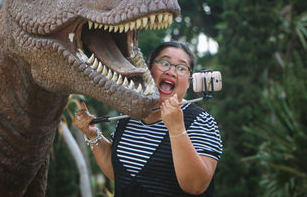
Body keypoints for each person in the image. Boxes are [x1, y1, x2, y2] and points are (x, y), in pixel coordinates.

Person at [75, 41, 222, 196]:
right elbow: (120, 173)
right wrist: (92, 134)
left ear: (189, 81)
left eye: (181, 68)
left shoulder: (202, 121)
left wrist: (176, 128)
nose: (171, 72)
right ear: (150, 69)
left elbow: (196, 185)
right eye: (165, 63)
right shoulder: (132, 115)